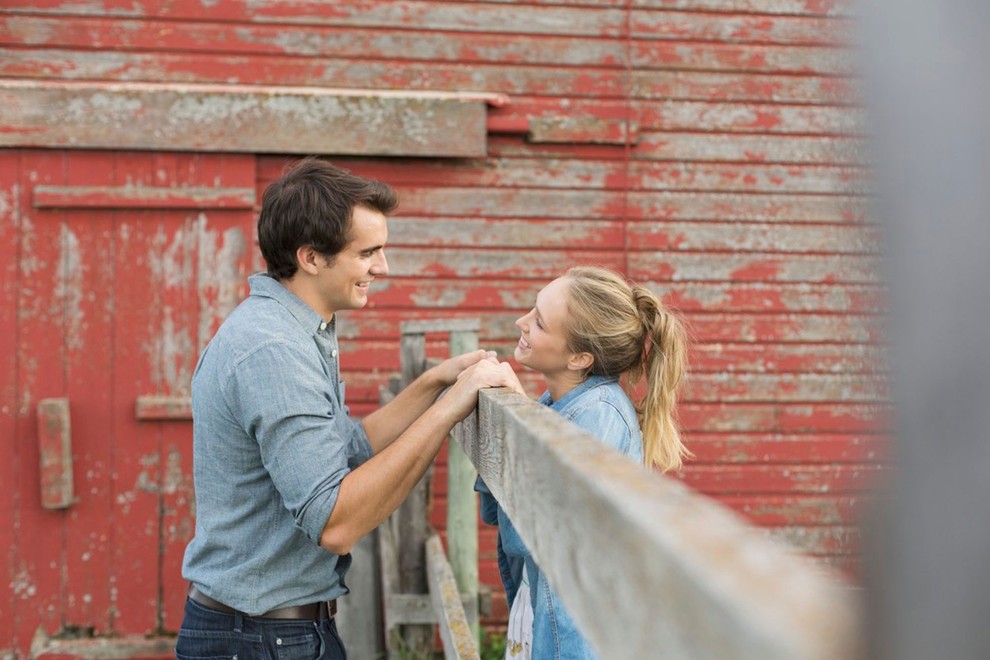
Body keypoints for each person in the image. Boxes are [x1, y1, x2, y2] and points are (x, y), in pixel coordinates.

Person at [177, 158, 518, 660]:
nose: (383, 267)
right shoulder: (273, 350)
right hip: (259, 640)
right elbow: (334, 523)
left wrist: (435, 382)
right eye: (369, 253)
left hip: (267, 633)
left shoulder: (293, 328)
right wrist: (449, 411)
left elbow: (349, 448)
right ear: (312, 257)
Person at [477, 266, 691, 659]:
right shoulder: (560, 405)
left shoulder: (598, 417)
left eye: (539, 322)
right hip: (548, 611)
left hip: (577, 638)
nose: (521, 322)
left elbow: (536, 531)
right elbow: (503, 510)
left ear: (579, 357)